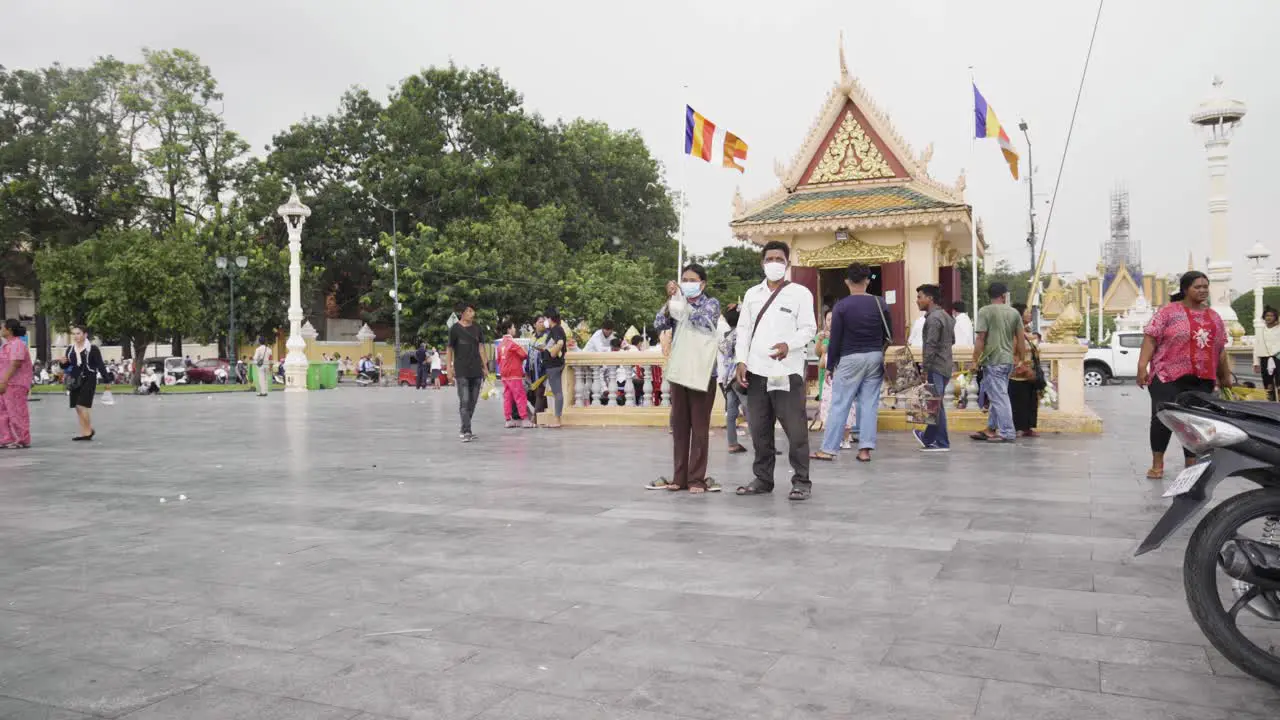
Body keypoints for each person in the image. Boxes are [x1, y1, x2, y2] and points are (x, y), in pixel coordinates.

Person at [733, 241, 817, 500]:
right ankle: (763, 478)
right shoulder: (751, 294)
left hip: (786, 371)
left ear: (787, 263)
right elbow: (744, 330)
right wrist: (740, 360)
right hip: (757, 371)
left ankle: (801, 481)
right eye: (769, 259)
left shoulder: (800, 293)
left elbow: (808, 328)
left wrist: (787, 345)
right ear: (762, 263)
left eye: (779, 259)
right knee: (759, 428)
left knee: (795, 429)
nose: (774, 263)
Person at [1137, 271, 1230, 479]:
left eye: (1205, 286)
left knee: (1195, 421)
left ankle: (1192, 464)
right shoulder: (1168, 313)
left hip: (1202, 378)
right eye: (1198, 287)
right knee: (1163, 418)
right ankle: (1157, 464)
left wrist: (1225, 375)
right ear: (1185, 289)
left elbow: (1220, 347)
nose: (1203, 290)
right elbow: (1150, 338)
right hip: (1167, 375)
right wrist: (1142, 367)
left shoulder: (1214, 317)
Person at [648, 264, 721, 494]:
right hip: (680, 370)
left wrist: (682, 303)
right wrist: (671, 301)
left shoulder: (711, 303)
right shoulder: (677, 303)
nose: (687, 283)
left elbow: (701, 320)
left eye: (692, 279)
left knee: (699, 427)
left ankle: (696, 478)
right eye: (684, 279)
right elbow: (659, 323)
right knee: (679, 426)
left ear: (702, 283)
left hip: (702, 372)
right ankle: (679, 477)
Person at [811, 263, 889, 463]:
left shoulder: (842, 306)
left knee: (840, 403)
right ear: (867, 280)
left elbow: (835, 339)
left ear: (847, 281)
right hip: (874, 356)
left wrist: (830, 367)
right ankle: (864, 450)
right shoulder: (880, 303)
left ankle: (829, 448)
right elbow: (888, 333)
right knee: (869, 404)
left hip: (850, 357)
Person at [971, 283, 1024, 443]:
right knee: (997, 395)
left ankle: (1007, 432)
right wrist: (1020, 358)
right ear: (1003, 296)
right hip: (1007, 360)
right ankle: (991, 429)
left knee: (999, 397)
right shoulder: (1014, 312)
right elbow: (1020, 339)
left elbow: (981, 338)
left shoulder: (985, 311)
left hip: (993, 360)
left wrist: (974, 360)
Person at [913, 284, 954, 451]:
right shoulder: (946, 316)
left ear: (930, 299)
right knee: (937, 404)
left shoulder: (933, 319)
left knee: (935, 404)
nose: (917, 301)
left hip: (936, 366)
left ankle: (937, 441)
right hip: (945, 364)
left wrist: (925, 369)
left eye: (920, 297)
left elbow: (930, 346)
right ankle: (932, 439)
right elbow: (952, 340)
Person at [814, 309, 857, 448]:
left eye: (833, 319)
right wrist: (820, 341)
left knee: (845, 405)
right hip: (827, 375)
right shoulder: (822, 336)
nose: (831, 322)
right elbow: (818, 354)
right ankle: (834, 438)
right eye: (828, 319)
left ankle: (845, 437)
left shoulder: (845, 334)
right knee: (828, 405)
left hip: (841, 374)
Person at [447, 302, 488, 442]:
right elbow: (449, 349)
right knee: (464, 400)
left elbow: (481, 348)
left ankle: (464, 427)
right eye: (469, 311)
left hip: (476, 370)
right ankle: (467, 431)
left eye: (473, 311)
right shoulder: (454, 329)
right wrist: (449, 368)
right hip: (461, 370)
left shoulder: (477, 328)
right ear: (462, 313)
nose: (472, 314)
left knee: (473, 401)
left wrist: (486, 367)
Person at [62, 325, 109, 441]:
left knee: (82, 405)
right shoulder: (70, 349)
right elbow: (67, 366)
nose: (75, 336)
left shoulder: (92, 349)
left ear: (85, 334)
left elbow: (100, 365)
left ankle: (88, 432)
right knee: (77, 408)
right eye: (74, 334)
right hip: (74, 379)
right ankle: (85, 431)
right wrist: (63, 363)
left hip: (89, 378)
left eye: (78, 333)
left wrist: (106, 380)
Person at [719, 304, 749, 454]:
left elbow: (723, 350)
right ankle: (761, 443)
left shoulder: (727, 336)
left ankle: (732, 443)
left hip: (728, 378)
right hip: (741, 376)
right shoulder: (742, 334)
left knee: (731, 412)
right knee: (751, 410)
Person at [0, 319, 34, 448]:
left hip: (15, 384)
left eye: (3, 327)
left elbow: (15, 364)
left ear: (9, 330)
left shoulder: (17, 344)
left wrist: (4, 381)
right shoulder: (6, 345)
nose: (1, 329)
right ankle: (5, 438)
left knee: (17, 412)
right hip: (4, 384)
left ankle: (22, 439)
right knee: (2, 412)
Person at [1009, 304, 1041, 438]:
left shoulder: (1028, 331)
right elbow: (1012, 353)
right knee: (1019, 402)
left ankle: (1028, 427)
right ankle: (1017, 428)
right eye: (1027, 312)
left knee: (1031, 401)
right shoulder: (1015, 333)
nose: (1029, 315)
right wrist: (1021, 367)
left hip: (1030, 371)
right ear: (1019, 315)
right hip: (1019, 372)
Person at [497, 319, 534, 428]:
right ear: (509, 329)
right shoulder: (512, 343)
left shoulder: (500, 345)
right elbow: (524, 354)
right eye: (513, 327)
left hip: (504, 375)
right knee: (520, 396)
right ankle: (525, 419)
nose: (515, 329)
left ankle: (508, 419)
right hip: (514, 374)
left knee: (508, 397)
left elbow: (498, 360)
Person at [541, 310, 568, 428]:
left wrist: (552, 352)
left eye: (545, 319)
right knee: (555, 392)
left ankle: (557, 420)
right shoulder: (555, 330)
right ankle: (555, 418)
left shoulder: (556, 329)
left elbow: (560, 343)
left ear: (550, 319)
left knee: (557, 392)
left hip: (554, 365)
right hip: (552, 365)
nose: (545, 322)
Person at [1253, 306, 1280, 401]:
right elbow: (1256, 346)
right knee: (1267, 384)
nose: (1269, 317)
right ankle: (1271, 404)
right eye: (1267, 315)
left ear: (1276, 317)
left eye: (1272, 315)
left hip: (1278, 358)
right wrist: (1256, 363)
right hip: (1264, 359)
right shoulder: (1260, 330)